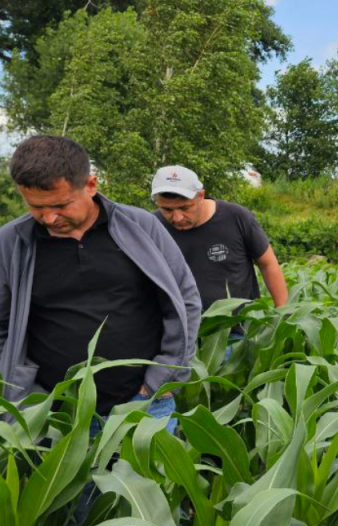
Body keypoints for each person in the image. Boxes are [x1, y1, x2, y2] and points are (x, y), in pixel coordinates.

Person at [0, 136, 201, 429]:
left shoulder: (140, 226)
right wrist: (26, 394)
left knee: (146, 476)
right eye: (36, 207)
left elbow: (183, 300)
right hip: (51, 416)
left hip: (143, 407)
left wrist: (164, 378)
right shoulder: (11, 243)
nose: (49, 218)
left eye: (60, 205)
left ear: (91, 185)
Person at [151, 165, 288, 311]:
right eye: (167, 209)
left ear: (201, 196)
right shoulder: (153, 226)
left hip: (240, 326)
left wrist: (282, 315)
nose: (177, 218)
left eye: (185, 208)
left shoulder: (237, 217)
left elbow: (268, 264)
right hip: (183, 327)